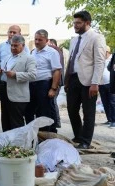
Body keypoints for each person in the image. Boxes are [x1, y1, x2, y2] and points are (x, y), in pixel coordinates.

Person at [64, 11, 107, 149]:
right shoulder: (74, 40)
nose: (75, 26)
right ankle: (78, 136)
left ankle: (85, 141)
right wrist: (66, 80)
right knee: (71, 110)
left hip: (89, 82)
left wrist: (95, 83)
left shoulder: (97, 38)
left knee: (88, 112)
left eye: (78, 23)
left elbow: (99, 61)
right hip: (73, 79)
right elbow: (70, 61)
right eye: (74, 23)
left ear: (87, 23)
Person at [0, 35, 36, 132]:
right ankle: (7, 143)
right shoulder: (8, 57)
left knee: (16, 122)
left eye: (16, 46)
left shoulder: (29, 58)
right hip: (4, 91)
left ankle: (18, 145)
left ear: (23, 45)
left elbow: (32, 75)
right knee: (5, 120)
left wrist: (15, 75)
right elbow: (5, 70)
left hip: (18, 94)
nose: (13, 48)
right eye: (12, 45)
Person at [25, 29, 61, 133]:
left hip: (44, 85)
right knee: (29, 110)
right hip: (32, 85)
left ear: (46, 40)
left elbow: (57, 71)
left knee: (43, 112)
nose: (36, 42)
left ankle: (44, 135)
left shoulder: (52, 53)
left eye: (40, 40)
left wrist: (53, 88)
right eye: (35, 39)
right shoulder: (33, 52)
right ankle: (31, 133)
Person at [47, 38, 65, 128]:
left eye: (49, 43)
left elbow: (57, 69)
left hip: (55, 81)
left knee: (52, 102)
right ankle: (55, 122)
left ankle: (55, 123)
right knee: (52, 102)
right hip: (56, 81)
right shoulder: (57, 51)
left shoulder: (55, 51)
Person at [99, 46, 115, 128]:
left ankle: (114, 120)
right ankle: (109, 119)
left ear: (107, 52)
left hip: (110, 83)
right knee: (105, 103)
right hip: (101, 84)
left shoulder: (112, 58)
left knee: (112, 102)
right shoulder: (101, 60)